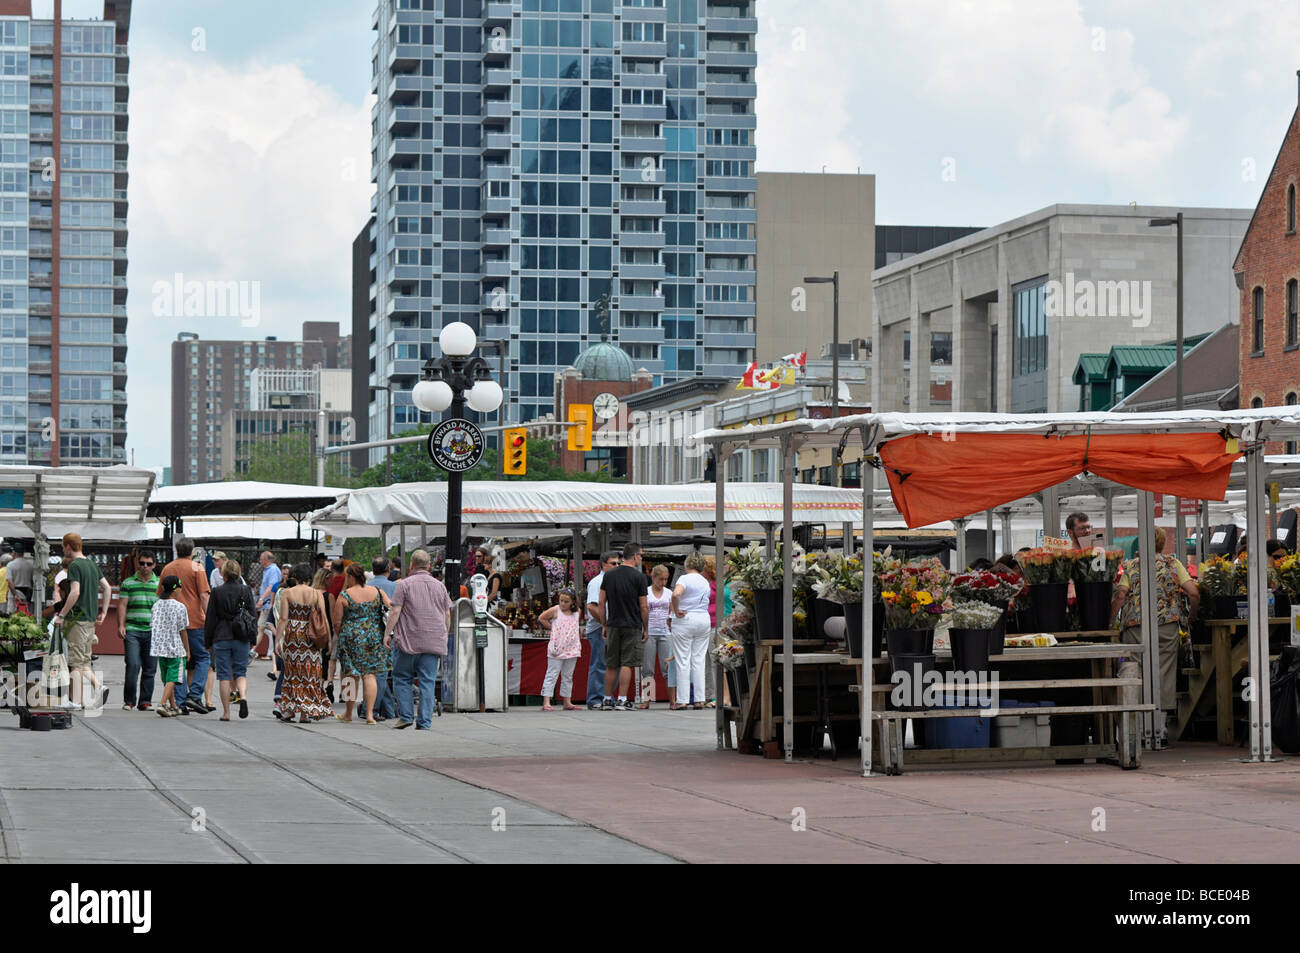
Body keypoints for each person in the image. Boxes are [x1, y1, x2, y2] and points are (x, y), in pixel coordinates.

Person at [1112, 525, 1199, 721]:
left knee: (1134, 668)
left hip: (1135, 625)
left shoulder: (1131, 565)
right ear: (1162, 542)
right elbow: (1194, 593)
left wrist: (1111, 621)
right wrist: (1192, 616)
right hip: (1167, 625)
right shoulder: (1173, 563)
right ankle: (1160, 724)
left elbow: (1120, 595)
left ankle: (1136, 722)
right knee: (1165, 670)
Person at [383, 549, 452, 730]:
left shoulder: (404, 585)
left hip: (408, 641)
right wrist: (444, 635)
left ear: (411, 565)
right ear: (429, 566)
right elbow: (447, 614)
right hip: (433, 642)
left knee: (402, 677)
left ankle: (406, 715)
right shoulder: (440, 586)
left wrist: (387, 634)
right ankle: (424, 722)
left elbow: (395, 611)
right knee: (427, 682)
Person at [52, 533, 112, 711]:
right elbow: (107, 588)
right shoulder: (92, 564)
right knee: (84, 660)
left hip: (77, 619)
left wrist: (62, 614)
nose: (63, 550)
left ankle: (76, 701)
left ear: (69, 546)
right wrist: (104, 611)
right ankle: (98, 687)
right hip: (90, 619)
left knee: (75, 662)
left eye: (63, 547)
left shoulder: (75, 565)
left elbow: (75, 592)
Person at [158, 536, 212, 715]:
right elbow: (204, 596)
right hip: (195, 620)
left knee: (179, 661)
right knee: (204, 657)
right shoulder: (197, 568)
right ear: (192, 551)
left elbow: (160, 593)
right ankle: (195, 694)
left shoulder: (167, 568)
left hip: (172, 622)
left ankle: (180, 702)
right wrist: (210, 617)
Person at [332, 563, 392, 724]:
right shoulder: (378, 592)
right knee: (370, 674)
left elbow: (336, 621)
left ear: (351, 577)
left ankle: (348, 713)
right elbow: (391, 608)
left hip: (351, 638)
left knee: (350, 676)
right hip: (374, 637)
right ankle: (370, 715)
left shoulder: (345, 595)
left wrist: (342, 634)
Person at [274, 563, 333, 724]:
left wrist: (277, 640)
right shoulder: (316, 594)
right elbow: (324, 618)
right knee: (309, 673)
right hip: (311, 635)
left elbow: (283, 618)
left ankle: (290, 710)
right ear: (309, 578)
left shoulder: (288, 592)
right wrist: (329, 640)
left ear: (294, 577)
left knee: (292, 673)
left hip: (293, 634)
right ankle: (305, 713)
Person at [597, 543, 649, 711]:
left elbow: (601, 602)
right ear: (634, 556)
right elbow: (644, 606)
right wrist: (645, 628)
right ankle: (621, 699)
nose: (641, 558)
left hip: (613, 623)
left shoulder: (608, 575)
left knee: (611, 663)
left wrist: (603, 624)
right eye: (640, 555)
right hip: (632, 624)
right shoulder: (639, 577)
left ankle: (606, 699)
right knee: (628, 662)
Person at [205, 559, 257, 721]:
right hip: (241, 636)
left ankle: (226, 713)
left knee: (224, 675)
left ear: (224, 573)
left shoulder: (217, 591)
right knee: (241, 672)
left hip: (222, 636)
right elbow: (252, 616)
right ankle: (242, 696)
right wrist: (253, 638)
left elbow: (211, 618)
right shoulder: (246, 590)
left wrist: (207, 641)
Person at [117, 549, 159, 711]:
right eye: (142, 563)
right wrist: (121, 625)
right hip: (132, 629)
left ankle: (145, 701)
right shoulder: (128, 583)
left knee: (150, 668)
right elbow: (122, 605)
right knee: (133, 664)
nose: (145, 567)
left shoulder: (159, 584)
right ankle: (129, 701)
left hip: (152, 631)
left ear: (154, 565)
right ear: (137, 564)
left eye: (149, 564)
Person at [670, 553, 713, 711]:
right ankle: (699, 699)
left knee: (683, 660)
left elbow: (676, 594)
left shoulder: (684, 579)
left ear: (687, 564)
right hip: (703, 619)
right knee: (699, 660)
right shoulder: (705, 582)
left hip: (685, 619)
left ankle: (682, 700)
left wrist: (676, 610)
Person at [150, 575, 191, 717]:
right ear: (175, 589)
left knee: (167, 678)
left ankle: (173, 706)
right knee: (173, 678)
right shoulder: (180, 607)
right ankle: (162, 704)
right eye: (180, 587)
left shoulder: (156, 605)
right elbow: (183, 630)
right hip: (176, 649)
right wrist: (187, 650)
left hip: (160, 648)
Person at [584, 551, 620, 710]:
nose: (616, 566)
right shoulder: (597, 582)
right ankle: (595, 698)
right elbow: (592, 606)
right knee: (600, 663)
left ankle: (606, 696)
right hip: (599, 628)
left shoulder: (613, 581)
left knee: (611, 664)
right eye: (613, 563)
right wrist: (605, 624)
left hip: (611, 627)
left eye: (618, 563)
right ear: (603, 564)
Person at [538, 589, 583, 711]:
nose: (563, 604)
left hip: (571, 647)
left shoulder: (577, 612)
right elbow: (542, 618)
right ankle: (546, 701)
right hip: (557, 648)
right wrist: (553, 628)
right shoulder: (555, 610)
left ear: (572, 602)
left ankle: (567, 700)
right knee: (552, 674)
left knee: (568, 675)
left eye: (566, 601)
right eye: (561, 601)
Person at [366, 557, 398, 720]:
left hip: (368, 634)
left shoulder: (365, 587)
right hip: (388, 634)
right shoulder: (395, 586)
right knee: (382, 673)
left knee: (376, 672)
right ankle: (372, 708)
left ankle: (389, 710)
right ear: (388, 570)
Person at [640, 565, 674, 709]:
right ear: (653, 577)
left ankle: (672, 700)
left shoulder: (669, 593)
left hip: (665, 632)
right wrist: (645, 629)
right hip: (650, 631)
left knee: (668, 667)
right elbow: (643, 610)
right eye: (661, 579)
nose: (663, 582)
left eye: (666, 579)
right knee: (647, 668)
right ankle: (647, 699)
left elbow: (671, 611)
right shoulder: (646, 592)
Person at [6, 545, 33, 611]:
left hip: (14, 593)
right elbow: (32, 581)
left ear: (14, 553)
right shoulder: (30, 565)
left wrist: (15, 595)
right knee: (24, 614)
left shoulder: (10, 565)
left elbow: (10, 581)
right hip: (26, 593)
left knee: (12, 615)